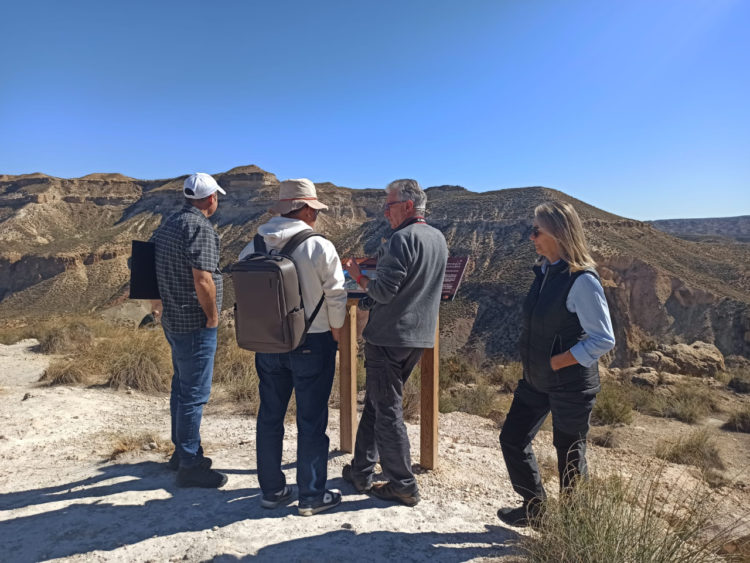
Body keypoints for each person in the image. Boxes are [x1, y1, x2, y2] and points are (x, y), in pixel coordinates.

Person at [497, 200, 615, 527]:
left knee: (569, 458)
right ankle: (535, 508)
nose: (530, 237)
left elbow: (603, 338)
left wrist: (562, 360)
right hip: (537, 379)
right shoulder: (545, 272)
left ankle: (575, 533)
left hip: (571, 384)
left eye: (537, 231)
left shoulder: (582, 280)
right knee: (512, 438)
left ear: (559, 235)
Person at [238, 178, 347, 516]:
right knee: (311, 420)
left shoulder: (252, 246)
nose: (315, 216)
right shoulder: (318, 247)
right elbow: (336, 295)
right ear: (302, 209)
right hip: (312, 342)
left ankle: (272, 490)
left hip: (268, 341)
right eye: (313, 210)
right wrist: (338, 334)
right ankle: (312, 495)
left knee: (270, 416)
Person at [343, 179, 448, 507]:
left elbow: (384, 291)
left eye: (388, 206)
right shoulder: (438, 239)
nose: (384, 212)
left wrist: (358, 275)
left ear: (406, 206)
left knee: (387, 409)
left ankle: (402, 483)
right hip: (417, 337)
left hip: (388, 338)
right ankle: (361, 470)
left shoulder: (400, 240)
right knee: (377, 403)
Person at [151, 172, 228, 488]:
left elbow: (142, 264)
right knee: (195, 394)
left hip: (172, 317)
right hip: (194, 322)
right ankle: (190, 464)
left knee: (181, 387)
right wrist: (212, 317)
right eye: (217, 197)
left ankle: (180, 453)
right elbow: (203, 279)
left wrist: (157, 304)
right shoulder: (199, 228)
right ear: (211, 198)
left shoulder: (169, 224)